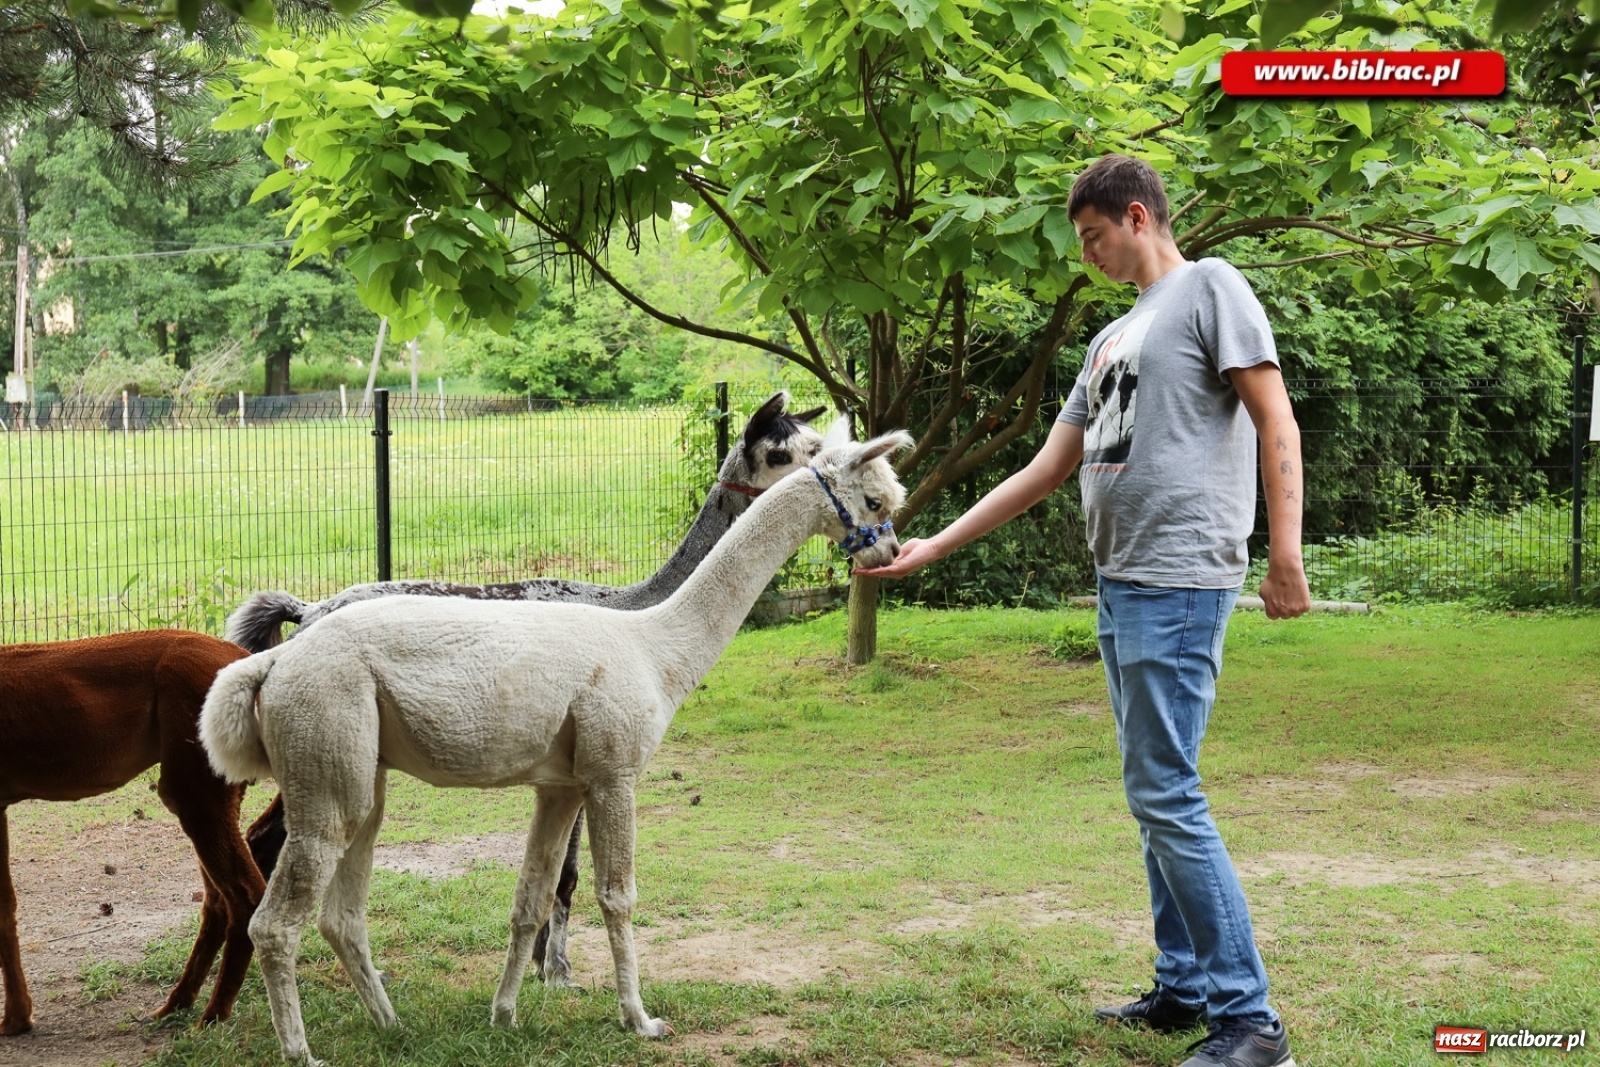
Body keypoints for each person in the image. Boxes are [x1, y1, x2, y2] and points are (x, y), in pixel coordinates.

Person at [855, 152, 1310, 1067]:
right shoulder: (1114, 337)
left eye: (1096, 237)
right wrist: (935, 543)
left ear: (1137, 217)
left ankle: (1251, 1022)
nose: (1091, 255)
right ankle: (1183, 986)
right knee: (1153, 792)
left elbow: (1276, 418)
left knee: (1166, 789)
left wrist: (1285, 553)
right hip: (1121, 580)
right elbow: (1045, 469)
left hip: (1179, 578)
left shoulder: (1210, 287)